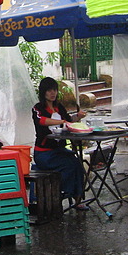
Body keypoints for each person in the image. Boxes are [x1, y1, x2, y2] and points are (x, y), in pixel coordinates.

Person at [31, 77, 89, 211]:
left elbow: (69, 120)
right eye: (49, 90)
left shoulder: (59, 107)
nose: (53, 93)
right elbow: (43, 121)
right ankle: (61, 193)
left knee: (77, 164)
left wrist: (77, 117)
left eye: (55, 90)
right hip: (44, 153)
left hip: (59, 150)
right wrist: (62, 122)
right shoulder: (38, 108)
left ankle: (77, 198)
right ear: (43, 92)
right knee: (69, 165)